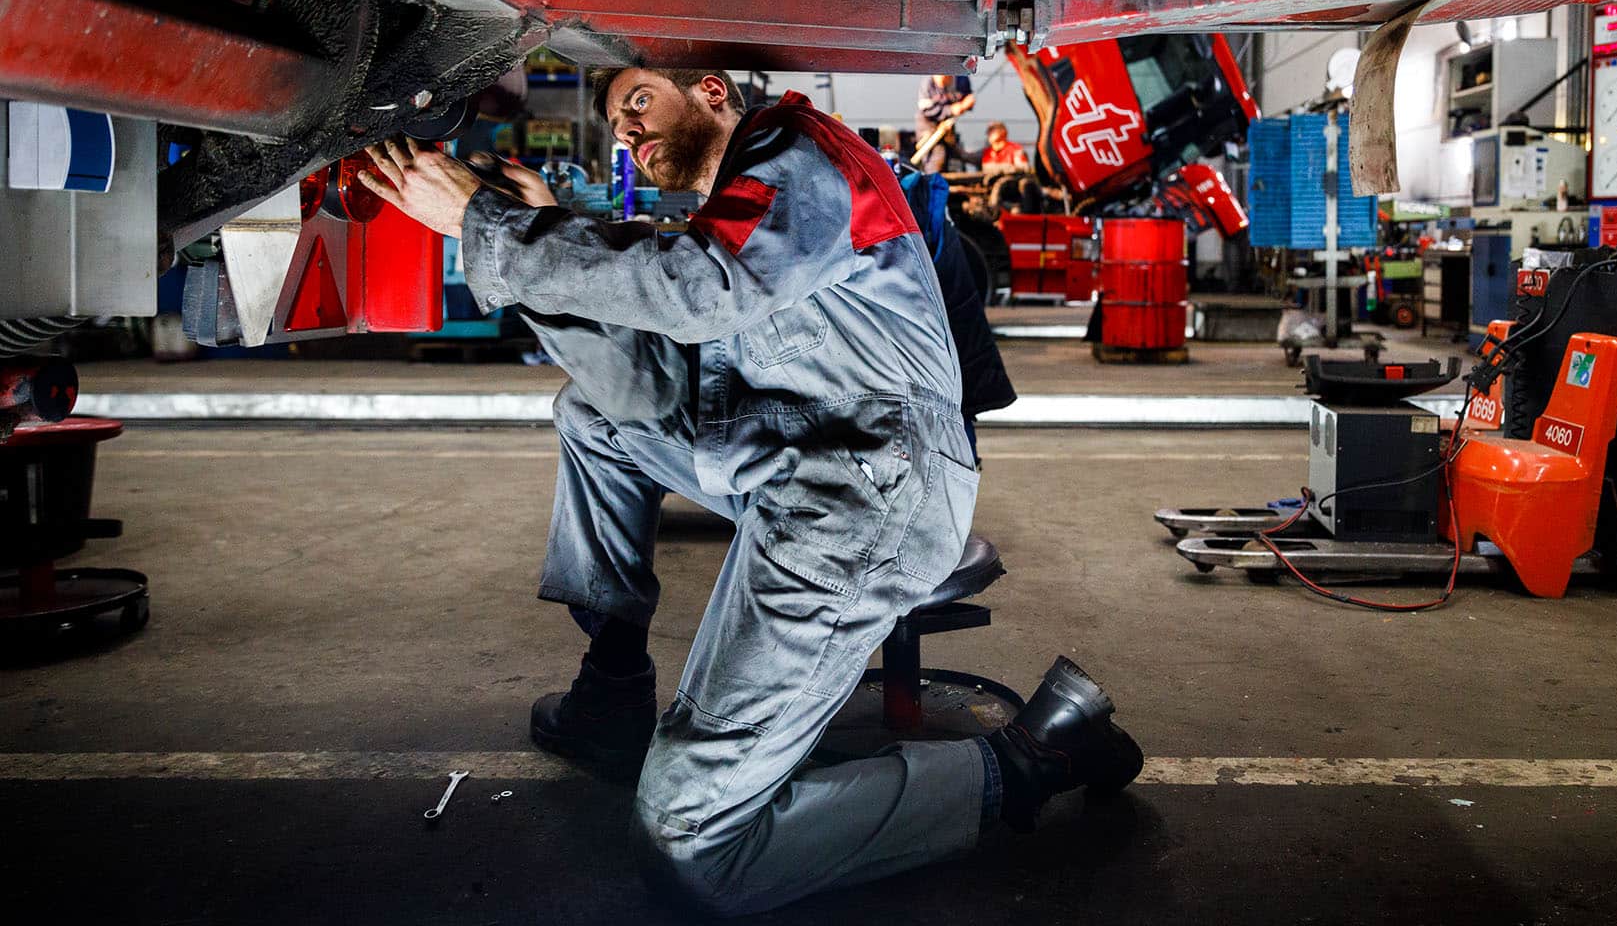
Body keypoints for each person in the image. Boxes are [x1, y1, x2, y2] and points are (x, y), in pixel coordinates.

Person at [356, 66, 1140, 916]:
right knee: (596, 416)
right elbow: (644, 389)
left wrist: (489, 225)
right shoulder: (743, 197)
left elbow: (694, 292)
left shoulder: (796, 156)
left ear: (713, 91)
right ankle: (613, 686)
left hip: (865, 494)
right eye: (618, 117)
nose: (626, 128)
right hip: (791, 457)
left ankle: (1034, 756)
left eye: (640, 102)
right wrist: (535, 233)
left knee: (691, 848)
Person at [915, 72, 974, 173]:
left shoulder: (962, 80)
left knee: (953, 153)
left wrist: (966, 104)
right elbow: (926, 109)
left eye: (945, 79)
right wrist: (950, 110)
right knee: (937, 155)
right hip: (929, 124)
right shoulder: (927, 84)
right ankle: (932, 180)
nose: (942, 83)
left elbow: (968, 98)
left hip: (948, 124)